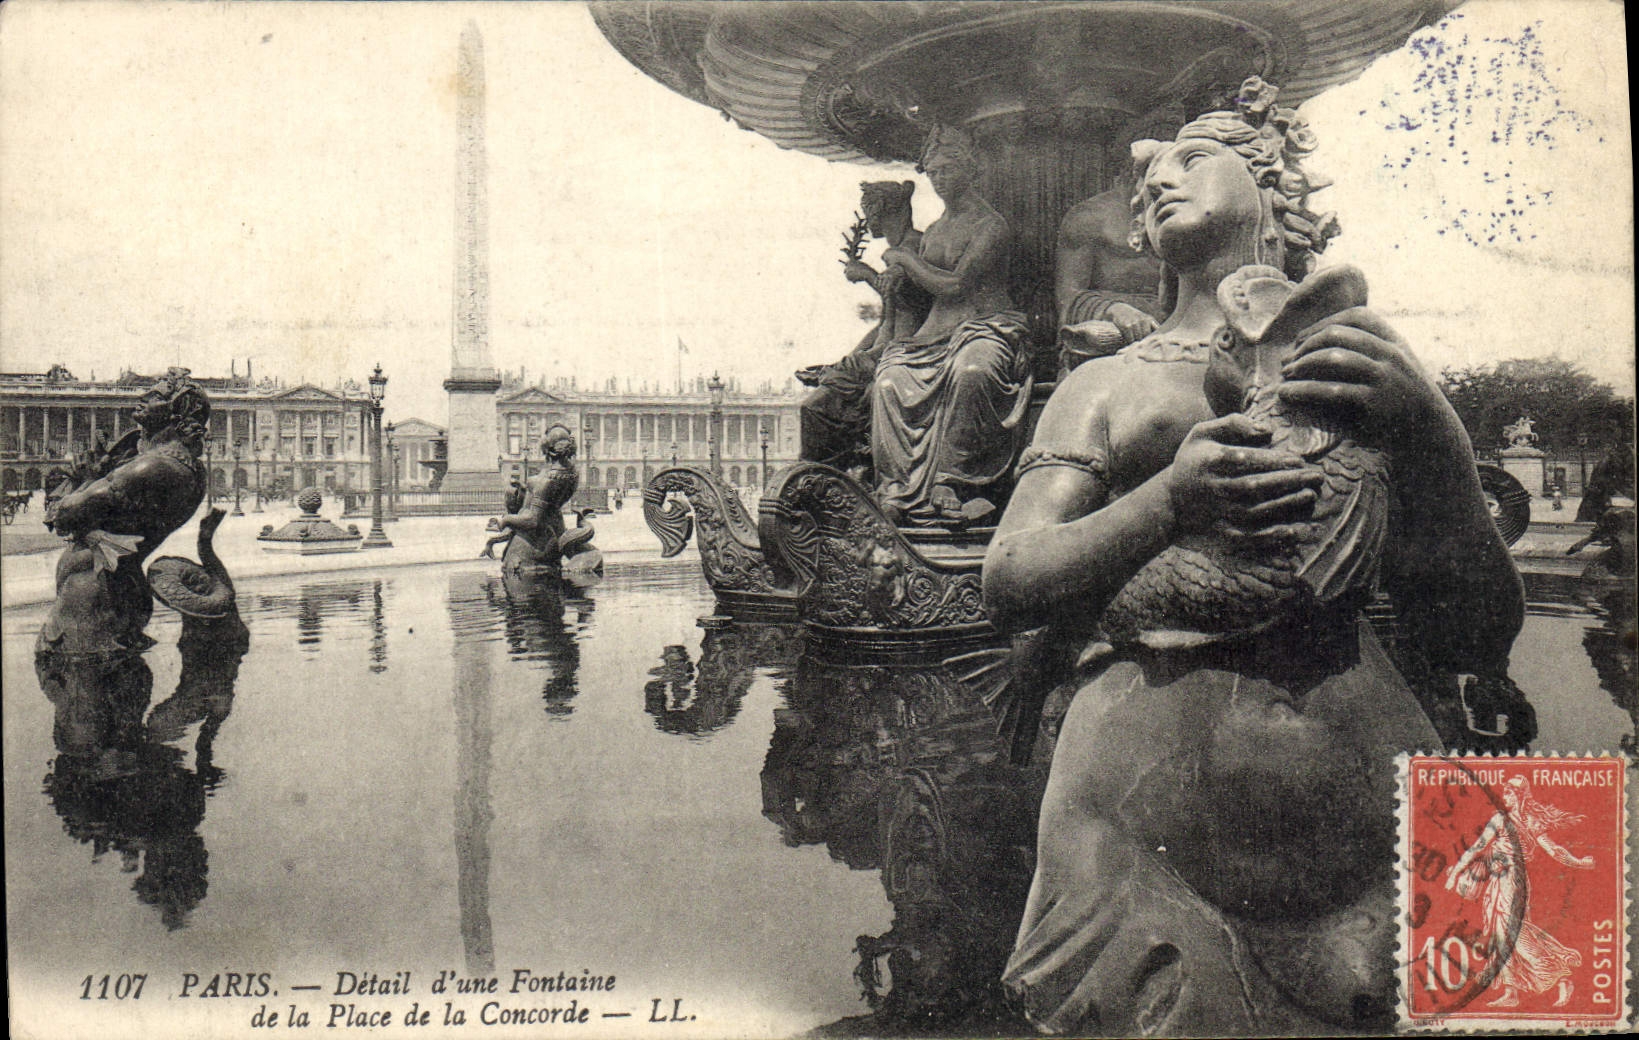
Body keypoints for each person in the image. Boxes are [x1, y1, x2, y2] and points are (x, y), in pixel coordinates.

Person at [982, 78, 1523, 1033]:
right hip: (1140, 840)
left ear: (1269, 186)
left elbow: (1473, 627)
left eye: (1192, 155)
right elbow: (1009, 576)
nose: (1154, 174)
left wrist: (1433, 429)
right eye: (1145, 169)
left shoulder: (1361, 364)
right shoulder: (1104, 383)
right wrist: (1166, 500)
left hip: (1380, 825)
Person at [869, 125, 1030, 525]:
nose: (938, 179)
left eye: (947, 170)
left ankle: (956, 482)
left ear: (969, 171)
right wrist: (890, 283)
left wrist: (904, 261)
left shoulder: (990, 226)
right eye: (933, 172)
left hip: (986, 326)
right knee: (887, 380)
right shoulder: (936, 230)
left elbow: (957, 285)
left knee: (972, 370)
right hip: (933, 335)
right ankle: (898, 487)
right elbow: (925, 296)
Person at [38, 369, 211, 656]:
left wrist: (87, 477)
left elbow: (64, 516)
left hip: (92, 597)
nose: (141, 397)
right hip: (122, 588)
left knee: (79, 686)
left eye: (155, 396)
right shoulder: (190, 468)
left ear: (177, 411)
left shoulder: (150, 467)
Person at [798, 181, 930, 476]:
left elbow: (915, 306)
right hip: (883, 351)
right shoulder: (899, 250)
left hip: (906, 351)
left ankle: (820, 483)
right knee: (820, 400)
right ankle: (826, 480)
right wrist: (848, 359)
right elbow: (886, 322)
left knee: (815, 409)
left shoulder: (916, 247)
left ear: (883, 211)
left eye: (868, 210)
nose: (866, 220)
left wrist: (868, 275)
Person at [1444, 776, 1594, 1007]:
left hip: (1512, 880)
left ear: (1521, 796)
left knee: (1512, 934)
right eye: (1504, 794)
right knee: (1498, 933)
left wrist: (1580, 863)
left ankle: (1560, 975)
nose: (1505, 798)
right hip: (1499, 880)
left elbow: (1553, 850)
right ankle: (1511, 991)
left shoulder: (1518, 821)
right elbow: (1478, 847)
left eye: (1510, 794)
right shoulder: (1502, 819)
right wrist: (1455, 873)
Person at [1053, 183, 1165, 374]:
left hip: (1171, 330)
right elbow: (1067, 298)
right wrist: (1114, 310)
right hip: (1105, 334)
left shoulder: (1197, 213)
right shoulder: (1089, 217)